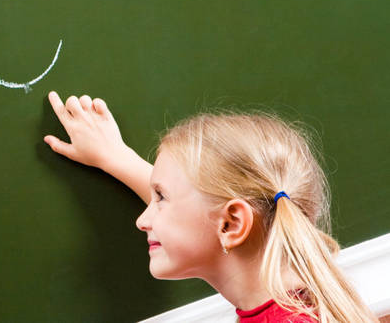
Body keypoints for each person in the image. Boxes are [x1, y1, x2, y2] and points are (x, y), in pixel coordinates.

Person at [43, 92, 377, 322]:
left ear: (232, 225)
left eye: (160, 197)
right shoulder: (302, 292)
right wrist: (114, 157)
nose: (143, 220)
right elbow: (200, 209)